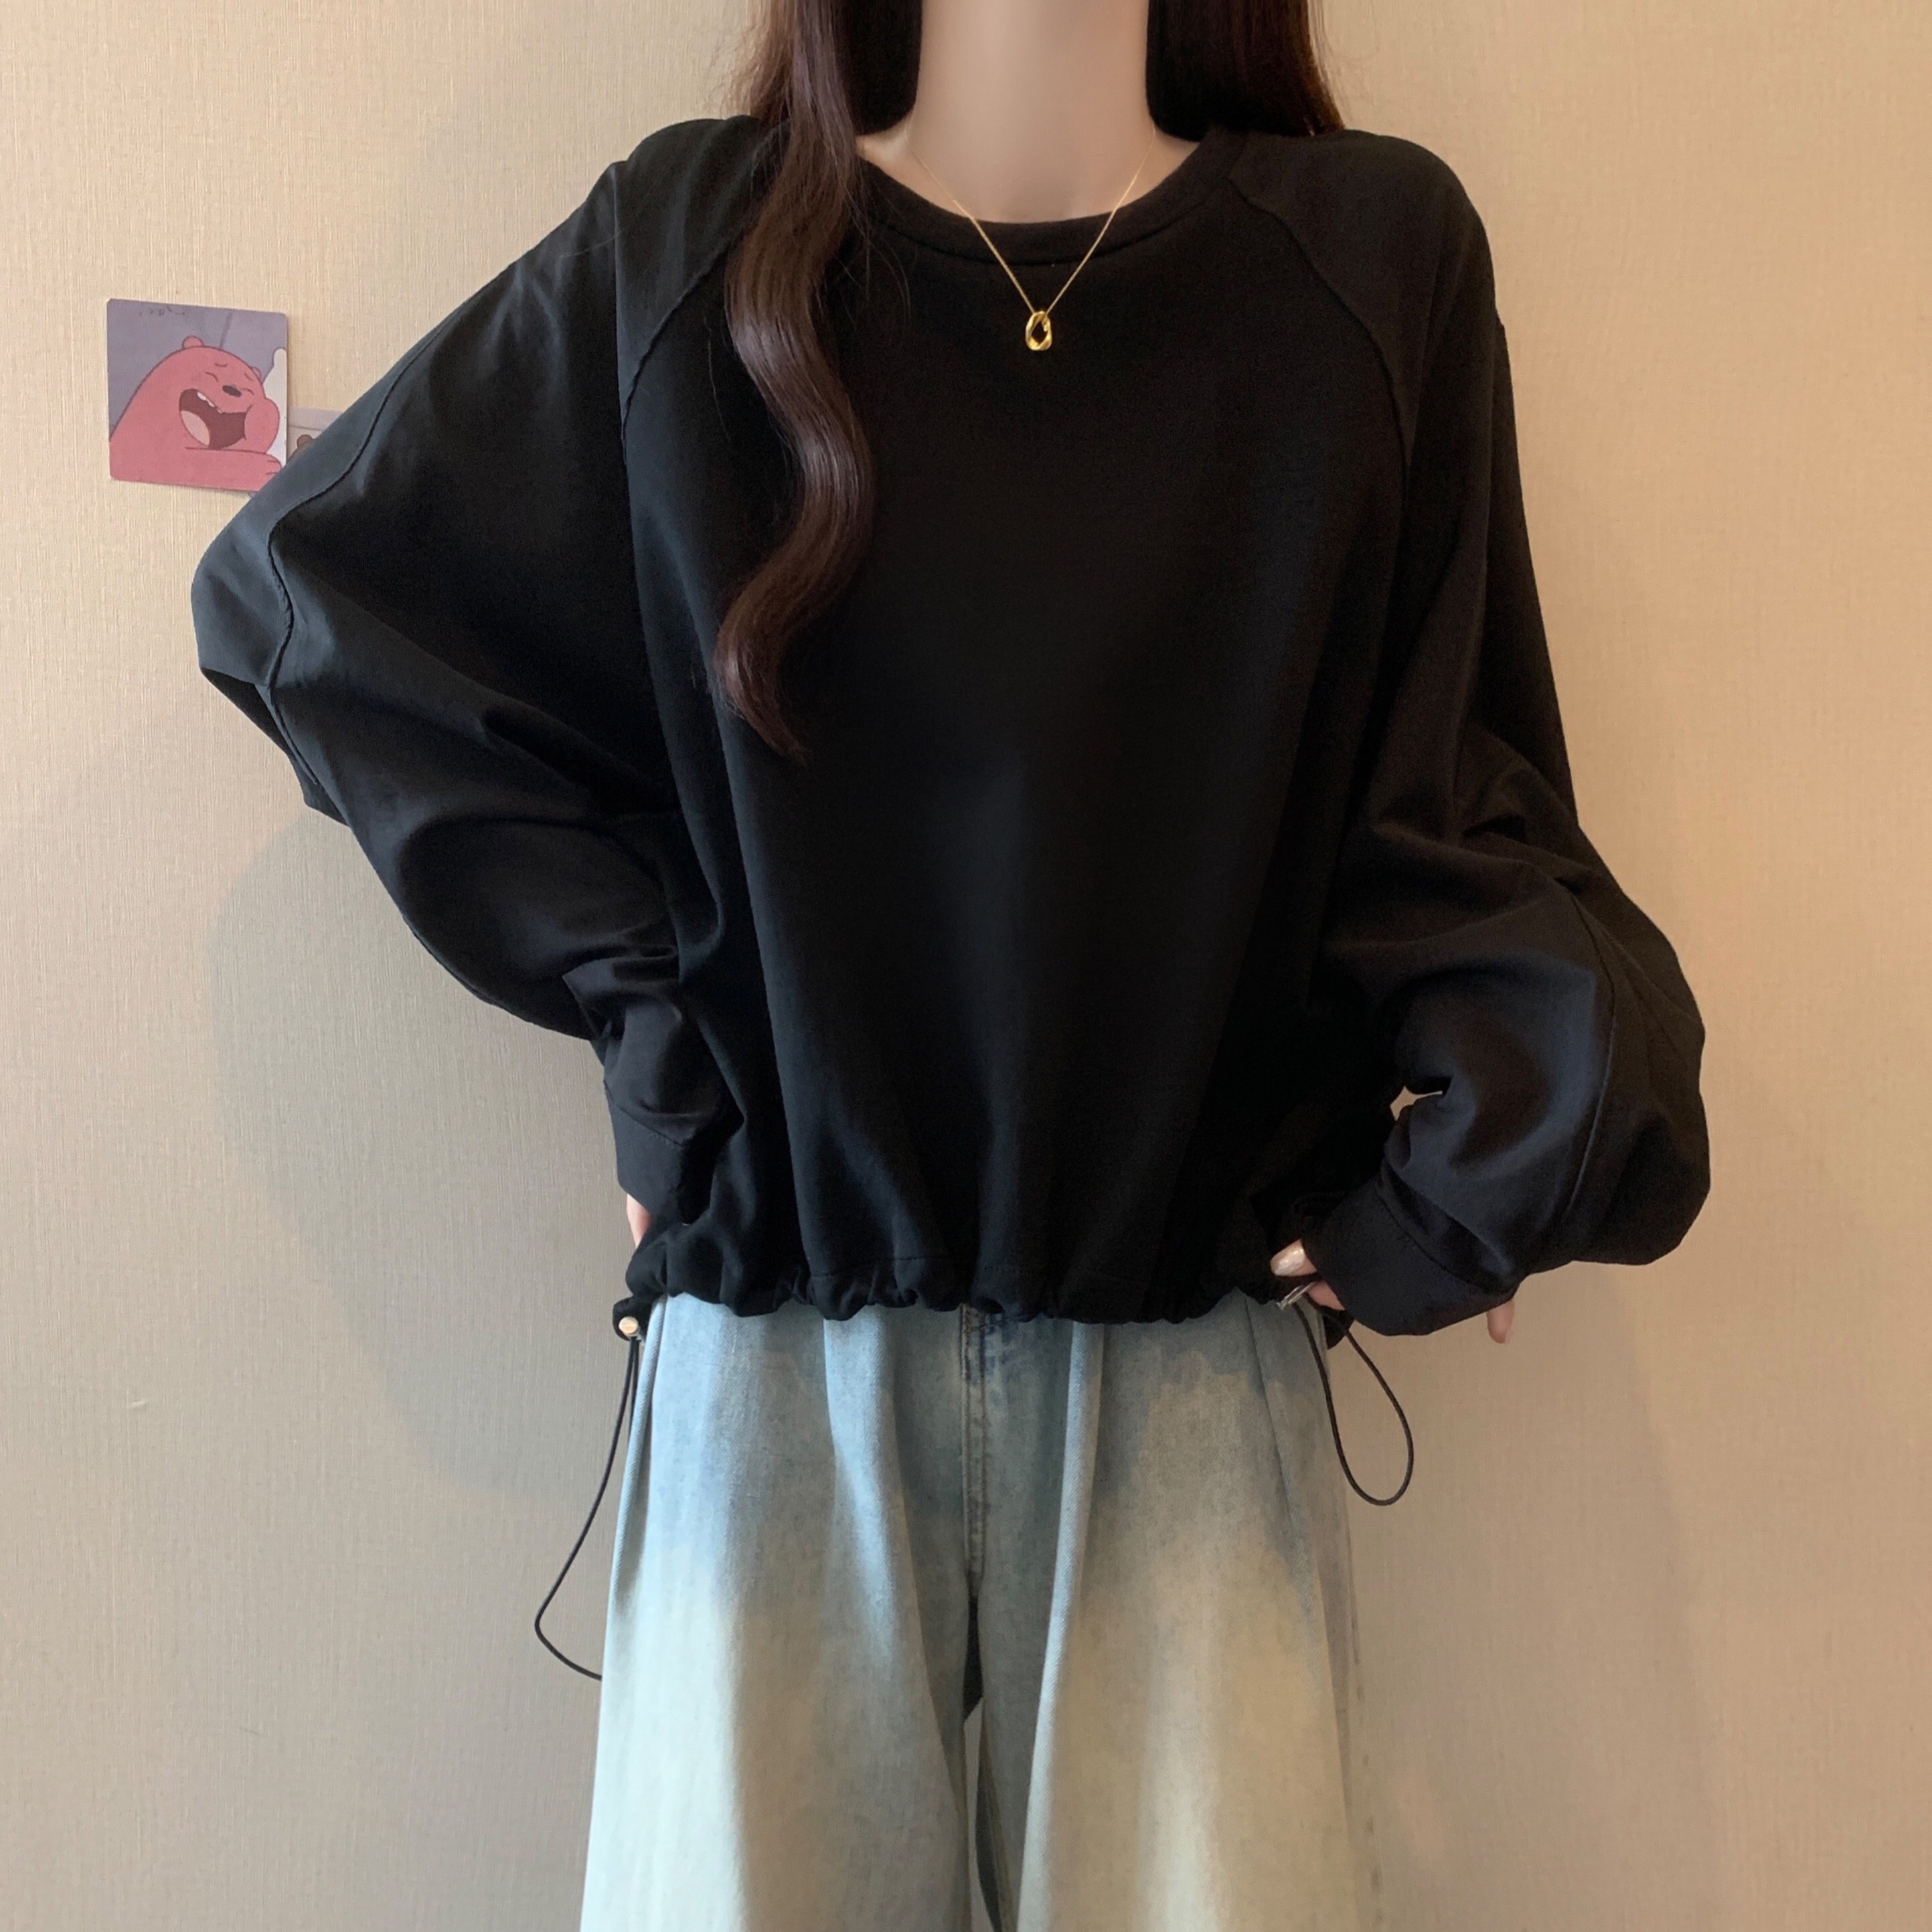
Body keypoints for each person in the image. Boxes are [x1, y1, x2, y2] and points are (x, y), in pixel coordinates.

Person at [189, 1, 1712, 1925]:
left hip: (1189, 1372)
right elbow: (312, 602)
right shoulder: (693, 245)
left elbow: (1454, 775)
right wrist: (657, 1039)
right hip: (779, 1377)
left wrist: (1481, 1157)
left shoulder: (1369, 259)